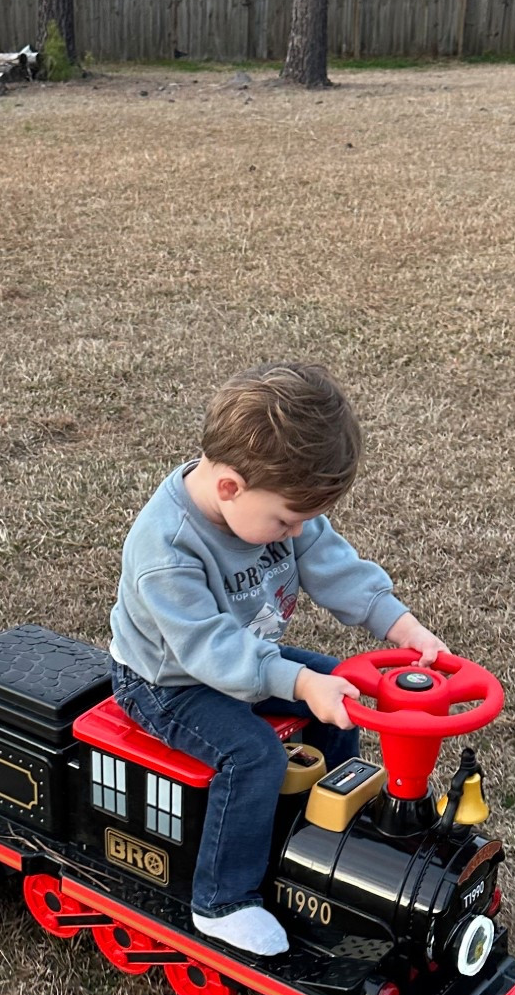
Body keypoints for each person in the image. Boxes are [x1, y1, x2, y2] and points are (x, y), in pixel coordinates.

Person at [109, 362, 446, 958]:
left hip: (244, 657)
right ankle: (223, 900)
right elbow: (210, 648)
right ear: (230, 488)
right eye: (287, 522)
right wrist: (294, 681)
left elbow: (333, 565)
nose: (293, 533)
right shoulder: (166, 548)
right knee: (252, 753)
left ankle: (318, 843)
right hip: (166, 681)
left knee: (338, 691)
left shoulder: (273, 509)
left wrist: (402, 624)